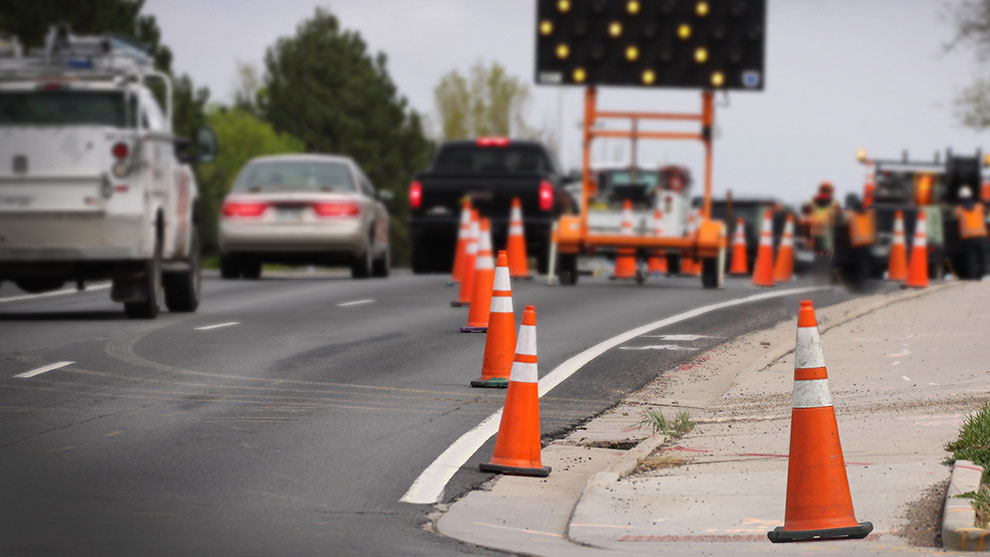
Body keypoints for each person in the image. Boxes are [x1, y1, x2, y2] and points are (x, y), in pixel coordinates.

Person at [844, 193, 876, 291]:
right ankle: (865, 282)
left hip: (857, 244)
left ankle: (861, 284)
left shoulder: (850, 214)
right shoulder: (870, 212)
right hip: (868, 243)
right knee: (865, 264)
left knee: (859, 264)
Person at [955, 185, 987, 279]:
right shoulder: (979, 206)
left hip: (968, 237)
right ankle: (983, 274)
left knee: (971, 258)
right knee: (983, 256)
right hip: (981, 236)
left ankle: (972, 277)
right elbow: (986, 213)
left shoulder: (959, 209)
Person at [808, 181, 841, 254]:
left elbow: (807, 211)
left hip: (815, 228)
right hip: (827, 228)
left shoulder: (812, 200)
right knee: (827, 251)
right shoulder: (834, 202)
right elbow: (839, 214)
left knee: (816, 250)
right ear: (831, 190)